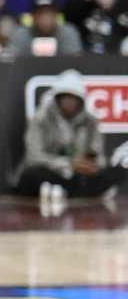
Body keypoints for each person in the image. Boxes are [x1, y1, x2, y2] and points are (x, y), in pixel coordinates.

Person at [17, 70, 123, 209]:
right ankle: (72, 192)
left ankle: (73, 193)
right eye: (65, 98)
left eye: (74, 99)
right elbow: (34, 156)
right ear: (58, 98)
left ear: (81, 101)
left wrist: (90, 163)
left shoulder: (90, 121)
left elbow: (96, 153)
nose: (69, 103)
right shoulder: (41, 118)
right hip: (52, 170)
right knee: (31, 175)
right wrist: (68, 163)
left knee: (117, 171)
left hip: (79, 175)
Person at [9, 0, 81, 58]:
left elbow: (75, 61)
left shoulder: (67, 32)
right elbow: (11, 59)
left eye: (50, 13)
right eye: (40, 13)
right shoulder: (21, 34)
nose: (45, 18)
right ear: (32, 16)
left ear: (57, 15)